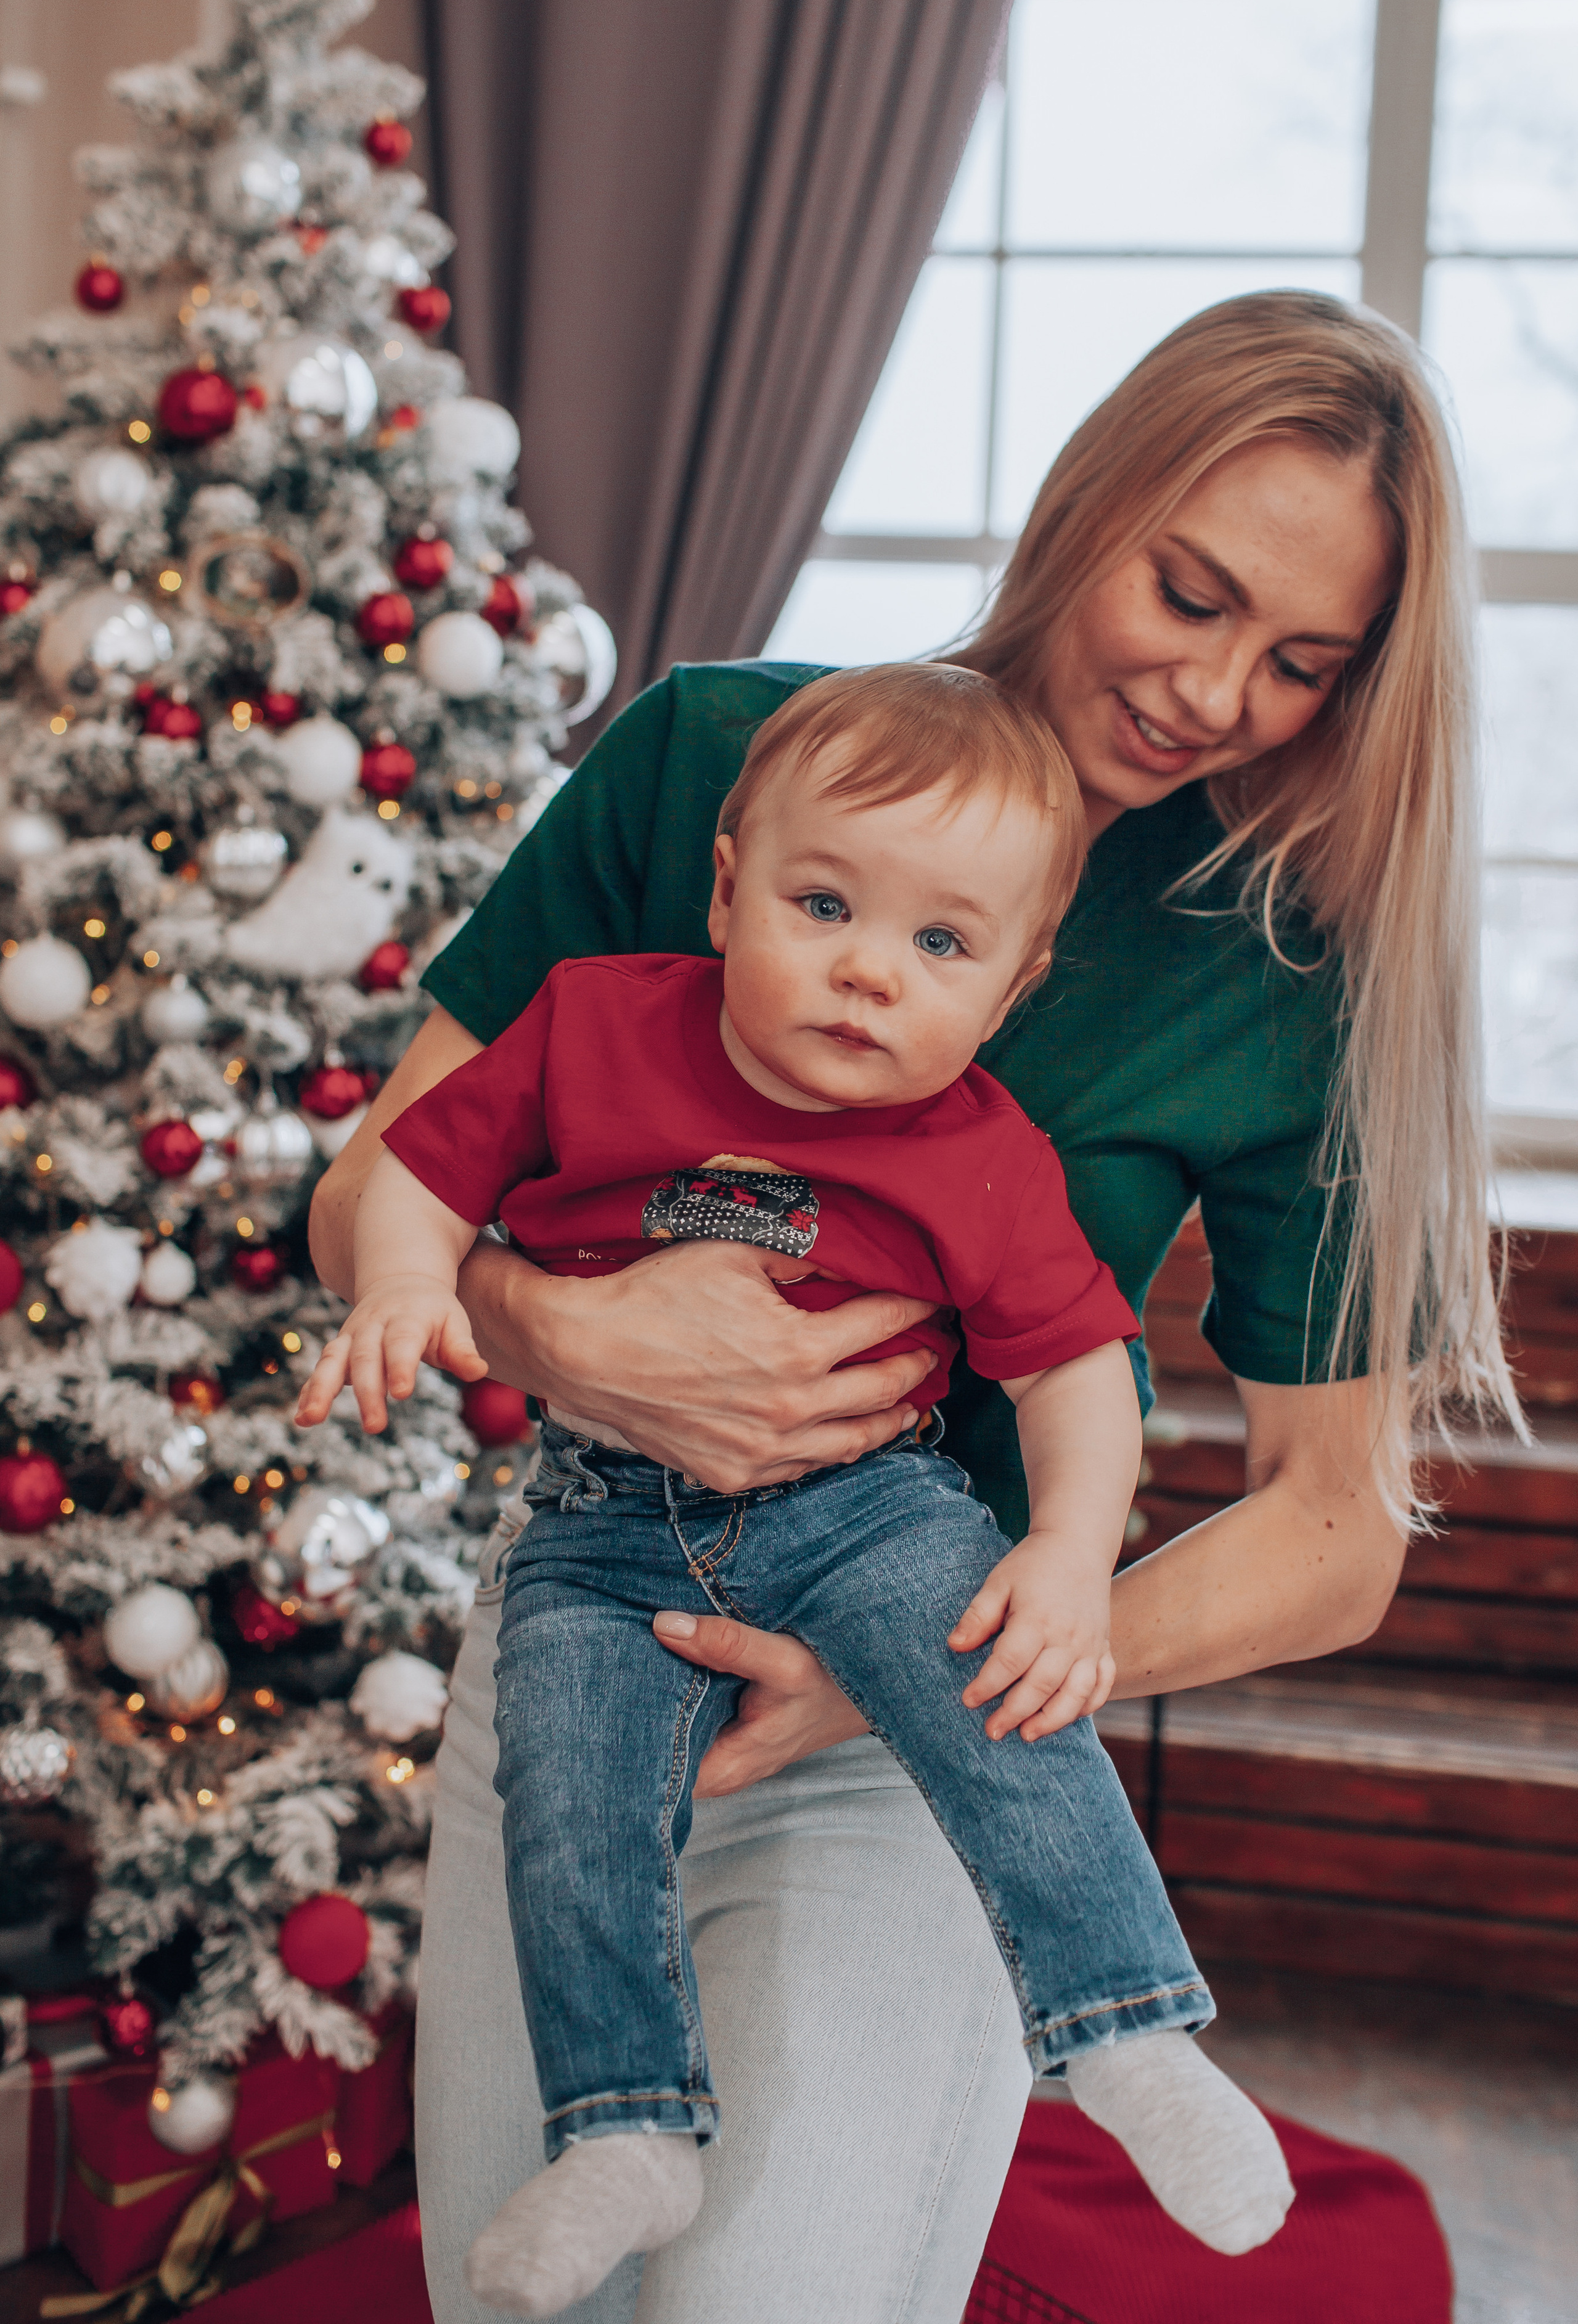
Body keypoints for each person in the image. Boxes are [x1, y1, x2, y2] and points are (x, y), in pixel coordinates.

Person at [309, 291, 1518, 2324]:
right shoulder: (712, 749)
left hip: (923, 1703)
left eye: (1304, 663)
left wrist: (937, 1677)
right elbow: (382, 1184)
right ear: (1092, 498)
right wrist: (556, 1333)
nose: (1217, 692)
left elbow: (1335, 1532)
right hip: (592, 1633)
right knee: (536, 2288)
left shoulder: (1288, 969)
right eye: (1190, 593)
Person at [300, 666, 1295, 2317]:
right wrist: (415, 1288)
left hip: (872, 1514)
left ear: (1014, 986)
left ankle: (1129, 2035)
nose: (863, 971)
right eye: (824, 902)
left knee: (1008, 1712)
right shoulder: (600, 1023)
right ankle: (623, 2126)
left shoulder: (979, 1148)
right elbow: (411, 1171)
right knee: (574, 1799)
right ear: (725, 884)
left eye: (939, 947)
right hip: (603, 1527)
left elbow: (1072, 1373)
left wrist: (1061, 1557)